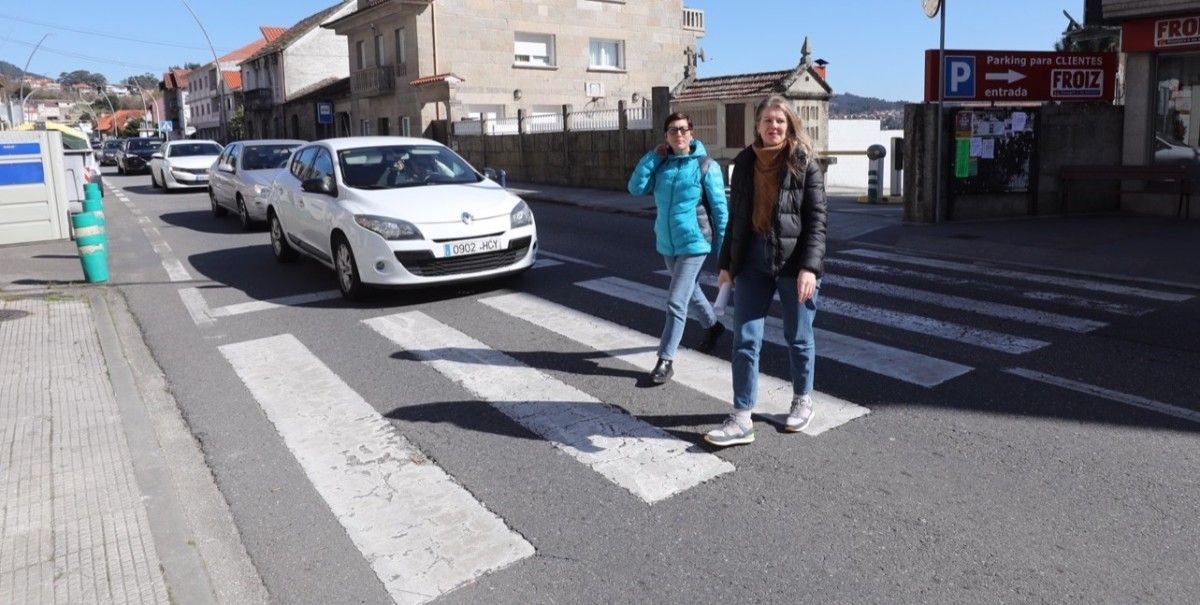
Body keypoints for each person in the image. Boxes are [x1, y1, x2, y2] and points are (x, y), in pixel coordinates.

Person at [705, 95, 827, 447]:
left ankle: (803, 400)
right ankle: (742, 417)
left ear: (789, 126)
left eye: (780, 121)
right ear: (757, 125)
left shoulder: (804, 163)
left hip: (794, 261)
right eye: (767, 121)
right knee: (745, 339)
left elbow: (817, 221)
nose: (773, 126)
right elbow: (736, 218)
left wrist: (810, 268)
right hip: (753, 261)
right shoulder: (744, 162)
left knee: (798, 336)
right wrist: (726, 263)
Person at [627, 112, 729, 384]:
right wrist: (652, 157)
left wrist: (724, 251)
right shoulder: (661, 165)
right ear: (666, 136)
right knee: (690, 293)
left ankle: (665, 359)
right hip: (667, 242)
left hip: (695, 242)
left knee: (676, 300)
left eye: (684, 129)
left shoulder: (706, 165)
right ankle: (714, 327)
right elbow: (635, 188)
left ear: (691, 133)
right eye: (673, 130)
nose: (679, 134)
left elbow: (720, 210)